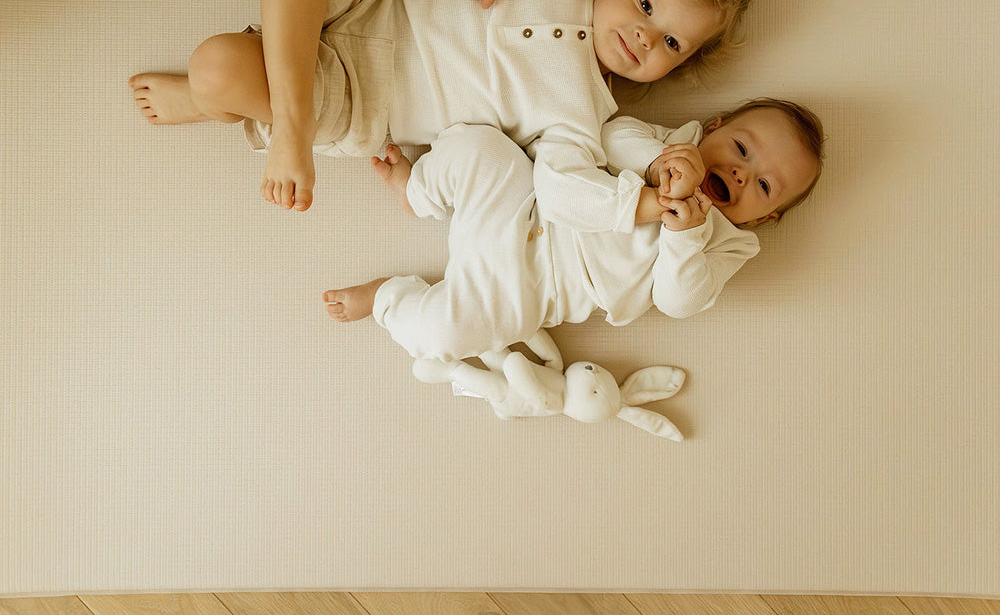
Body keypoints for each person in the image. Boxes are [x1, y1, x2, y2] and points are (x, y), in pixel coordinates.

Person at [129, 0, 780, 231]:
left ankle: (251, 111)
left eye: (671, 45)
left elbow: (559, 193)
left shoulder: (584, 115)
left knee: (217, 67)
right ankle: (279, 15)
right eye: (645, 4)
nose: (645, 37)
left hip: (362, 98)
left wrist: (640, 206)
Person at [322, 98, 825, 363]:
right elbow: (609, 135)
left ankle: (389, 300)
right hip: (527, 202)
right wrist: (659, 165)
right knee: (483, 148)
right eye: (741, 149)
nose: (741, 173)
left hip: (537, 289)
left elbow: (680, 300)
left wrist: (686, 233)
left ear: (764, 218)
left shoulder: (726, 241)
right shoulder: (673, 142)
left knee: (448, 331)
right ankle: (420, 190)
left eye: (763, 185)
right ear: (713, 127)